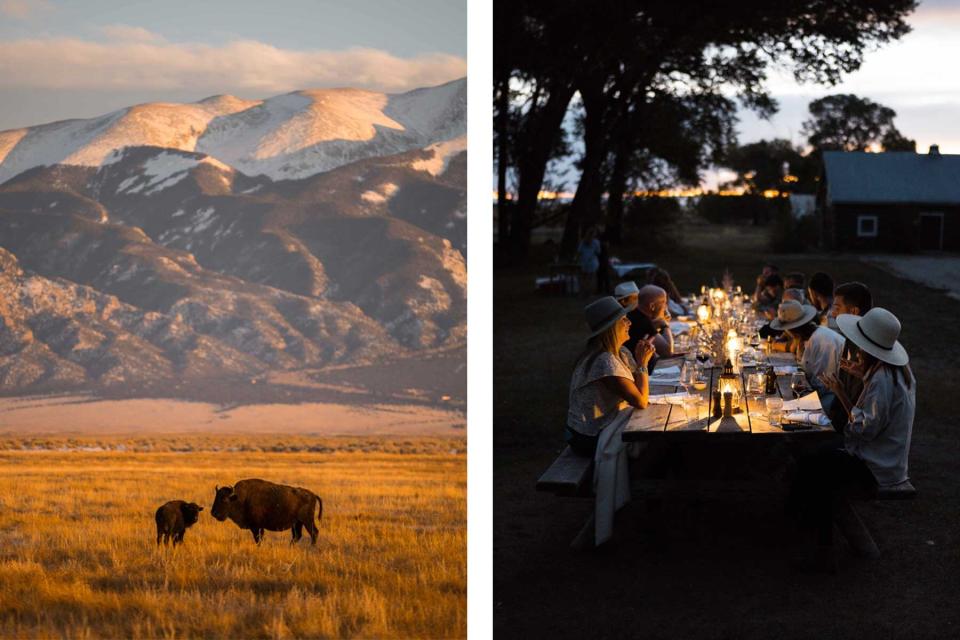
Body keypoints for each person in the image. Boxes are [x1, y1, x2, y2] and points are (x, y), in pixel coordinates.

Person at [793, 307, 915, 561]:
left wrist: (840, 392)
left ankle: (822, 550)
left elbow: (862, 429)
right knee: (812, 459)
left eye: (860, 348)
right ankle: (810, 533)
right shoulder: (893, 373)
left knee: (816, 470)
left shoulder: (882, 380)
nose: (857, 352)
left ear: (870, 350)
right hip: (886, 459)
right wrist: (862, 376)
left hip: (877, 465)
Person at [566, 296, 656, 455]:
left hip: (602, 424)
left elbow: (637, 386)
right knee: (655, 437)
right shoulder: (604, 361)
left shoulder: (621, 352)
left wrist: (642, 363)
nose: (629, 323)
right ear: (611, 327)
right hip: (589, 436)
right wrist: (642, 364)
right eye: (624, 320)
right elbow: (641, 400)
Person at [769, 300, 845, 385]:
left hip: (829, 393)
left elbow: (822, 382)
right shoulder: (807, 338)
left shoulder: (821, 341)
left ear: (792, 330)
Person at [624, 285, 673, 360]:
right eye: (663, 302)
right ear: (652, 306)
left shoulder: (634, 314)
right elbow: (668, 352)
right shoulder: (643, 323)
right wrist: (665, 325)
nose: (665, 306)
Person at [575, 227, 601, 296]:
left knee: (584, 278)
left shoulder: (583, 242)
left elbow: (579, 252)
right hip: (592, 261)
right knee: (591, 278)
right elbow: (598, 252)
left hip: (584, 261)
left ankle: (583, 291)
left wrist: (576, 260)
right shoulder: (596, 242)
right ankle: (589, 292)